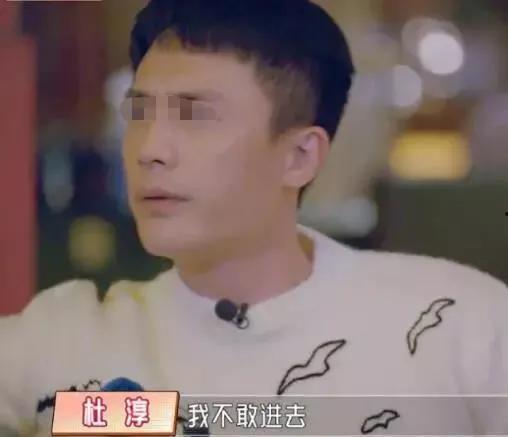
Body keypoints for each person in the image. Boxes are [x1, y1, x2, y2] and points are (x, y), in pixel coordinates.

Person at [1, 1, 507, 436]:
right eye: (139, 114)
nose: (150, 149)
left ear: (300, 156)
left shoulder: (461, 325)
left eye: (195, 116)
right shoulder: (61, 339)